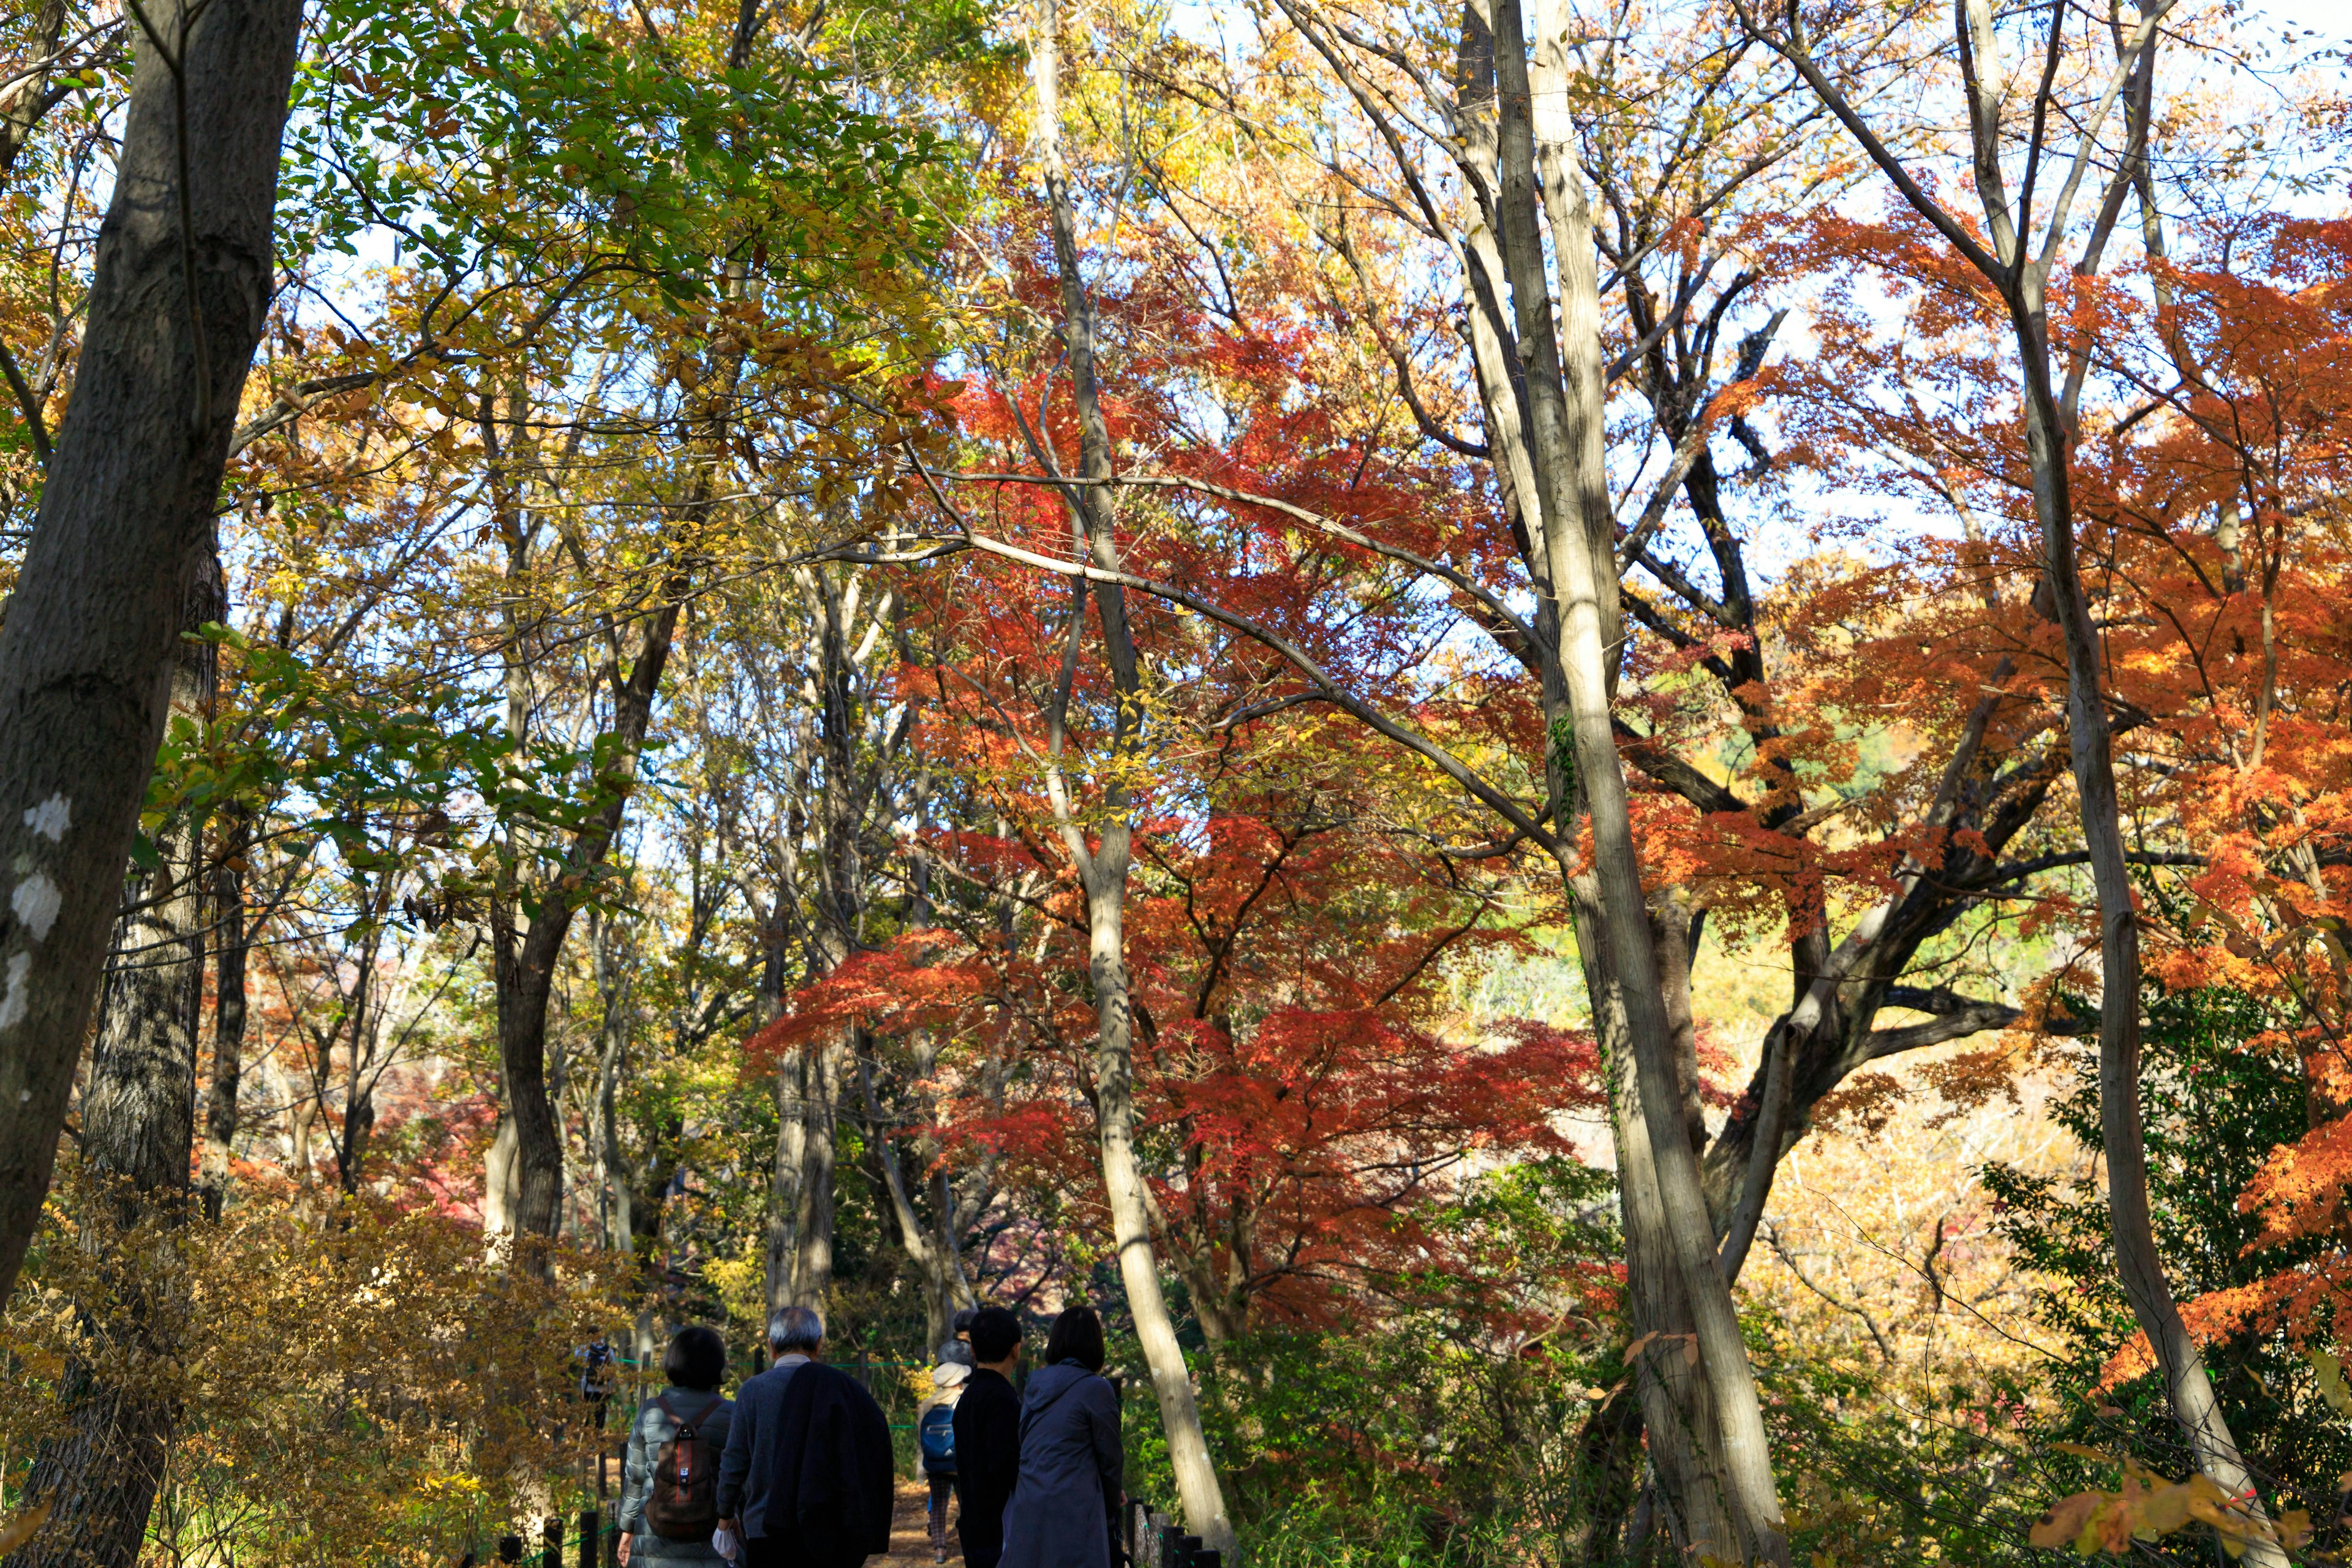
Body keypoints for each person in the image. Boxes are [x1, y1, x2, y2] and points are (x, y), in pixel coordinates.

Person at [716, 1305, 894, 1568]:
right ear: (818, 1345)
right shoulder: (839, 1389)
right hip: (826, 1531)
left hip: (765, 1529)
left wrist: (724, 1515)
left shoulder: (753, 1391)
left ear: (771, 1346)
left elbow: (735, 1462)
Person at [998, 1306, 1122, 1568]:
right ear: (1095, 1345)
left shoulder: (1034, 1385)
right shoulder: (1096, 1389)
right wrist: (1111, 1507)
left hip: (1030, 1504)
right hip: (1075, 1512)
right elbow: (1110, 1457)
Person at [618, 1326, 735, 1567]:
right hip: (713, 1544)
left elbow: (635, 1479)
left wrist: (627, 1529)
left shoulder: (649, 1412)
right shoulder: (731, 1414)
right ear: (717, 1366)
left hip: (654, 1542)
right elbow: (741, 1478)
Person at [951, 1306, 1023, 1568]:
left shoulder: (967, 1399)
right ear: (1016, 1349)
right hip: (1000, 1527)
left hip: (972, 1520)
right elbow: (1008, 1467)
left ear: (972, 1350)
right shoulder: (1005, 1401)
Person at [916, 1357, 971, 1563]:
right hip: (958, 1463)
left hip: (934, 1464)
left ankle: (939, 1549)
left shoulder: (929, 1404)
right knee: (966, 1505)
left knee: (939, 1505)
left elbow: (921, 1439)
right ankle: (968, 1544)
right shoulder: (963, 1399)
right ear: (957, 1381)